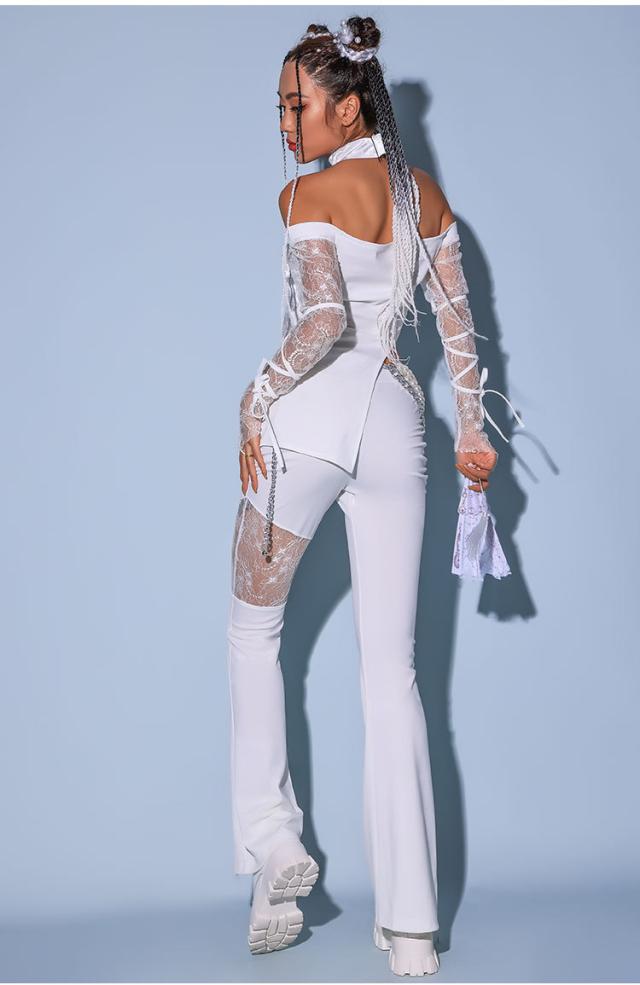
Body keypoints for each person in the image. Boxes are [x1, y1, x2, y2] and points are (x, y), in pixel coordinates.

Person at [226, 16, 519, 976]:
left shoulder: (305, 192)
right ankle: (414, 930)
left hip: (309, 421)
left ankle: (273, 839)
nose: (285, 122)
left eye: (297, 105)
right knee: (393, 676)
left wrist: (255, 396)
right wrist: (473, 435)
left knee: (252, 632)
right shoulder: (421, 192)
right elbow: (460, 327)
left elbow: (320, 322)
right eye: (280, 106)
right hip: (400, 424)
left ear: (347, 107)